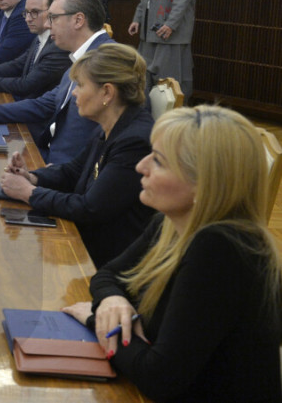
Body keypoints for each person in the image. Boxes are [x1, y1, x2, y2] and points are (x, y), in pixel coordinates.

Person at [63, 105, 282, 402]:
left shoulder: (221, 249)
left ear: (203, 184)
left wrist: (96, 318)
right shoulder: (171, 222)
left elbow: (159, 378)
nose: (141, 166)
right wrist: (113, 301)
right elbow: (108, 275)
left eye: (159, 161)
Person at [0, 44, 155, 267]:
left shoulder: (134, 141)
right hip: (87, 243)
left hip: (105, 260)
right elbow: (73, 172)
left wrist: (29, 193)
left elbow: (90, 208)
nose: (74, 92)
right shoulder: (110, 124)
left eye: (80, 85)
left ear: (107, 92)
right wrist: (32, 177)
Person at [0, 0, 112, 164]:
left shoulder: (106, 61)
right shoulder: (81, 56)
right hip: (54, 162)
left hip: (64, 168)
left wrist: (48, 175)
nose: (48, 25)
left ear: (78, 20)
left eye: (53, 18)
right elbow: (44, 104)